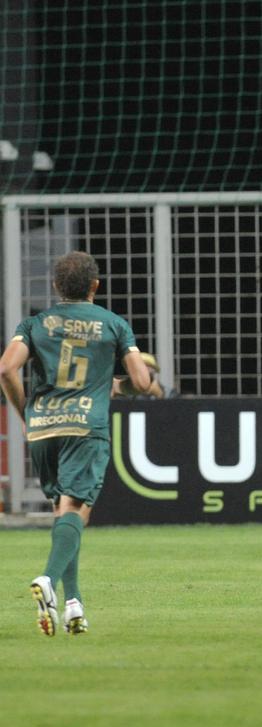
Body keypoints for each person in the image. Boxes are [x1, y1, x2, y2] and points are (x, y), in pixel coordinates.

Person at [0, 251, 154, 636]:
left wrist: (25, 414)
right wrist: (118, 385)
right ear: (95, 286)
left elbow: (6, 368)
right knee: (76, 508)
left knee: (65, 512)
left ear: (56, 286)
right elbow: (143, 379)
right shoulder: (113, 324)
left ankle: (73, 604)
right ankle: (49, 580)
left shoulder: (34, 323)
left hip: (44, 428)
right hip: (86, 426)